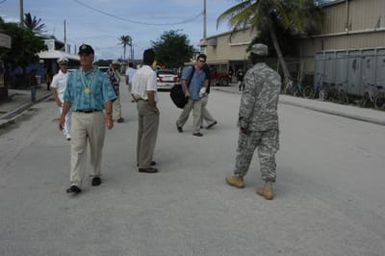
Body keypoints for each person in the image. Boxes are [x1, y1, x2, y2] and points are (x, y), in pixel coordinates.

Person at [225, 44, 281, 200]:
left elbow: (248, 100)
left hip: (254, 122)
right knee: (268, 153)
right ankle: (268, 187)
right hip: (271, 121)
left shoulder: (252, 74)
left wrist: (243, 121)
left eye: (251, 55)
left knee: (245, 150)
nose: (250, 58)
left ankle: (238, 177)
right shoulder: (275, 75)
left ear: (256, 56)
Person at [59, 44, 117, 195]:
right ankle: (75, 182)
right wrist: (62, 116)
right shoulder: (73, 76)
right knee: (76, 149)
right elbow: (67, 98)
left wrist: (109, 117)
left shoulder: (101, 77)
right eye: (81, 55)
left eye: (86, 55)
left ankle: (95, 173)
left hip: (96, 115)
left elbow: (108, 98)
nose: (83, 58)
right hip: (77, 116)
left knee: (96, 147)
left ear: (92, 57)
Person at [131, 48, 159, 173]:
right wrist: (153, 106)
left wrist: (138, 100)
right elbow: (150, 92)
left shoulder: (138, 72)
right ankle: (145, 164)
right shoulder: (151, 73)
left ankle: (140, 159)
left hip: (139, 103)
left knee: (141, 133)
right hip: (147, 104)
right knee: (149, 135)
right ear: (153, 60)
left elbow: (132, 90)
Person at [176, 54, 209, 137]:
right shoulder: (190, 69)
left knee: (197, 114)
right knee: (186, 113)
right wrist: (186, 92)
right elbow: (183, 81)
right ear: (197, 61)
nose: (201, 63)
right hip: (189, 96)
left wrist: (204, 89)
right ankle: (179, 123)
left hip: (198, 97)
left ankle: (196, 130)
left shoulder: (203, 73)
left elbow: (205, 81)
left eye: (203, 62)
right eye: (200, 61)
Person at [51, 57, 71, 140]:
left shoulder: (70, 75)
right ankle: (67, 133)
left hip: (70, 98)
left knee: (70, 116)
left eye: (65, 64)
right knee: (65, 116)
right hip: (62, 98)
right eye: (62, 64)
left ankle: (69, 131)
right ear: (59, 65)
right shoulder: (56, 77)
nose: (64, 66)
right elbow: (53, 88)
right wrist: (57, 100)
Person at [201, 64, 217, 129]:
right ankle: (199, 124)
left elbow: (205, 81)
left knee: (199, 106)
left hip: (203, 91)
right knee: (200, 107)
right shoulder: (206, 67)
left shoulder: (204, 68)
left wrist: (204, 91)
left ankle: (211, 121)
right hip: (204, 91)